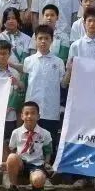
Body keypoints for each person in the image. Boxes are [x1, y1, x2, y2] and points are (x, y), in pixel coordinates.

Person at [22, 27, 65, 173]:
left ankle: (47, 174)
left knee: (48, 144)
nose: (43, 41)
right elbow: (24, 82)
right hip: (32, 111)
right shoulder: (28, 60)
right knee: (31, 142)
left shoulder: (58, 62)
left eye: (46, 38)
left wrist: (70, 70)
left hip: (51, 109)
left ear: (52, 41)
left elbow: (63, 84)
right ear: (35, 40)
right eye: (40, 38)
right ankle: (31, 172)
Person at [0, 41, 25, 189]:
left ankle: (7, 175)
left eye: (5, 53)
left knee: (8, 145)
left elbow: (20, 92)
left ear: (9, 54)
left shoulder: (14, 73)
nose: (2, 56)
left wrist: (18, 84)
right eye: (0, 53)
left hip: (10, 116)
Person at [4, 102, 53, 191]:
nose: (29, 116)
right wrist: (8, 163)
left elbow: (48, 150)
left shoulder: (45, 133)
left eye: (33, 113)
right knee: (12, 157)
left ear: (38, 116)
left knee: (38, 180)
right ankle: (14, 189)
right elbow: (12, 149)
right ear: (22, 116)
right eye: (26, 113)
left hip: (36, 164)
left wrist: (47, 163)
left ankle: (37, 186)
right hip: (21, 163)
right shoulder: (16, 132)